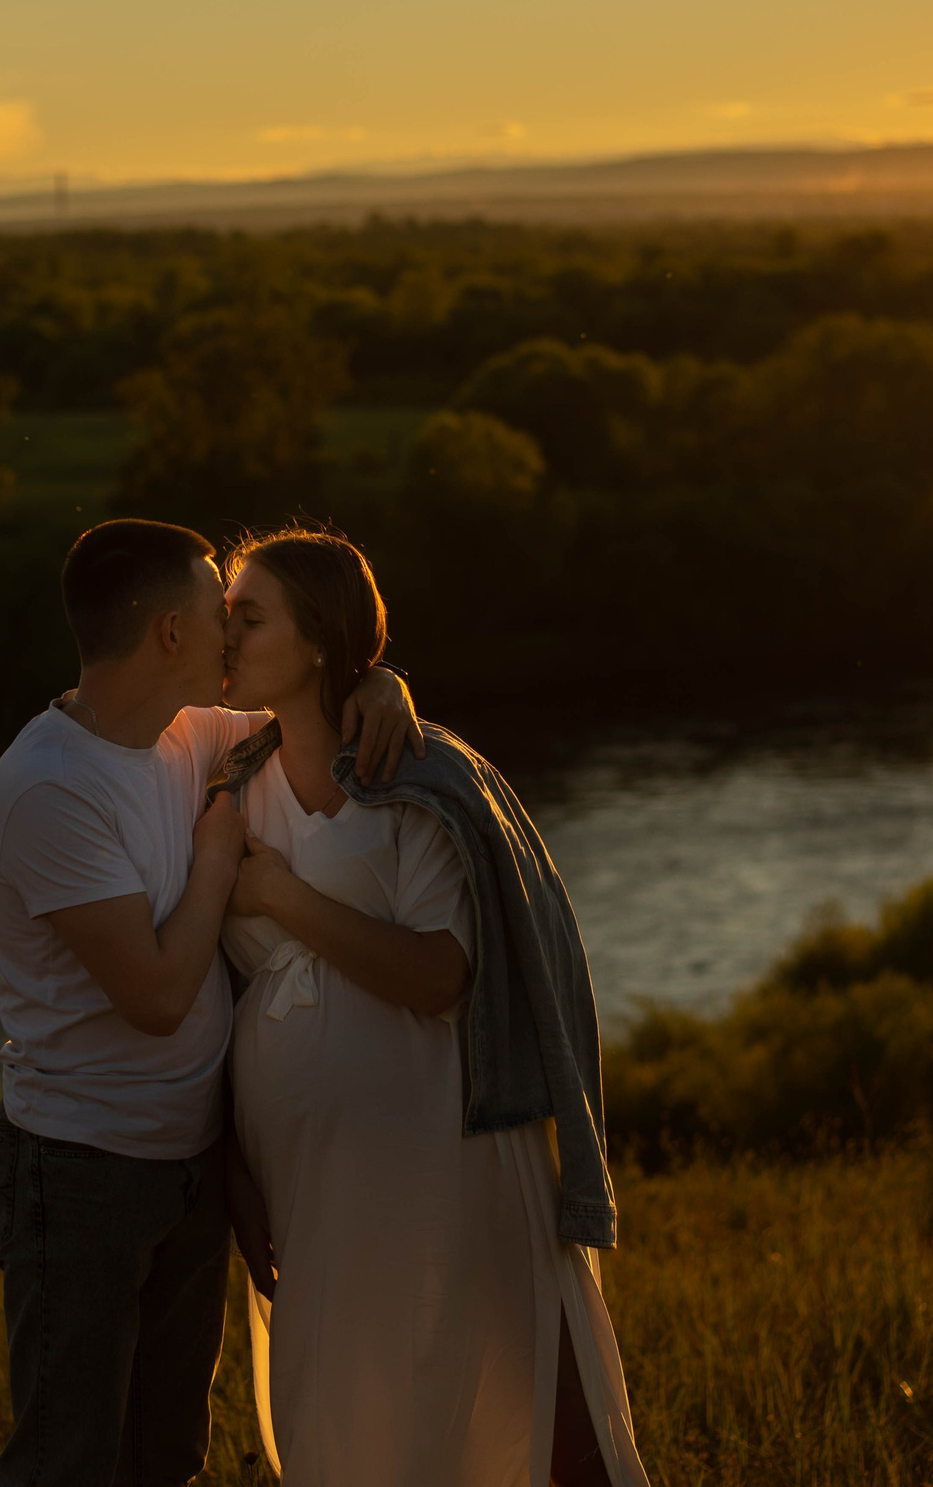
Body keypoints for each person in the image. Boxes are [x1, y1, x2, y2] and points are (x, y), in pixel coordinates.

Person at [0, 518, 420, 1487]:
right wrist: (222, 860)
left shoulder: (184, 732)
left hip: (188, 1160)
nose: (231, 626)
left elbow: (301, 702)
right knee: (69, 1456)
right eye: (215, 609)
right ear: (169, 636)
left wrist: (377, 677)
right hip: (83, 1168)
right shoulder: (50, 787)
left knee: (166, 1455)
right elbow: (159, 996)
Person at [215, 526, 650, 1487]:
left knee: (503, 1403)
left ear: (320, 639)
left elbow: (437, 975)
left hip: (444, 1166)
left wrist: (284, 898)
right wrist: (234, 1177)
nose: (226, 636)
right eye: (221, 615)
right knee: (356, 1416)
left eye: (250, 617)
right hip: (309, 1184)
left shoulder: (411, 779)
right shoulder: (221, 771)